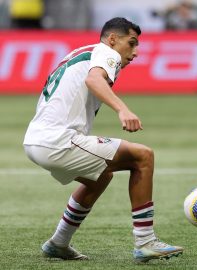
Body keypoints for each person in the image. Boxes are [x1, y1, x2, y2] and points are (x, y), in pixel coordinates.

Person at [23, 17, 183, 262]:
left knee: (100, 176)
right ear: (112, 39)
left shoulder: (82, 52)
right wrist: (122, 110)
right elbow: (93, 79)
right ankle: (145, 241)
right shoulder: (106, 53)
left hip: (36, 140)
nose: (135, 52)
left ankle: (59, 243)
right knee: (143, 156)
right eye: (131, 43)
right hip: (58, 140)